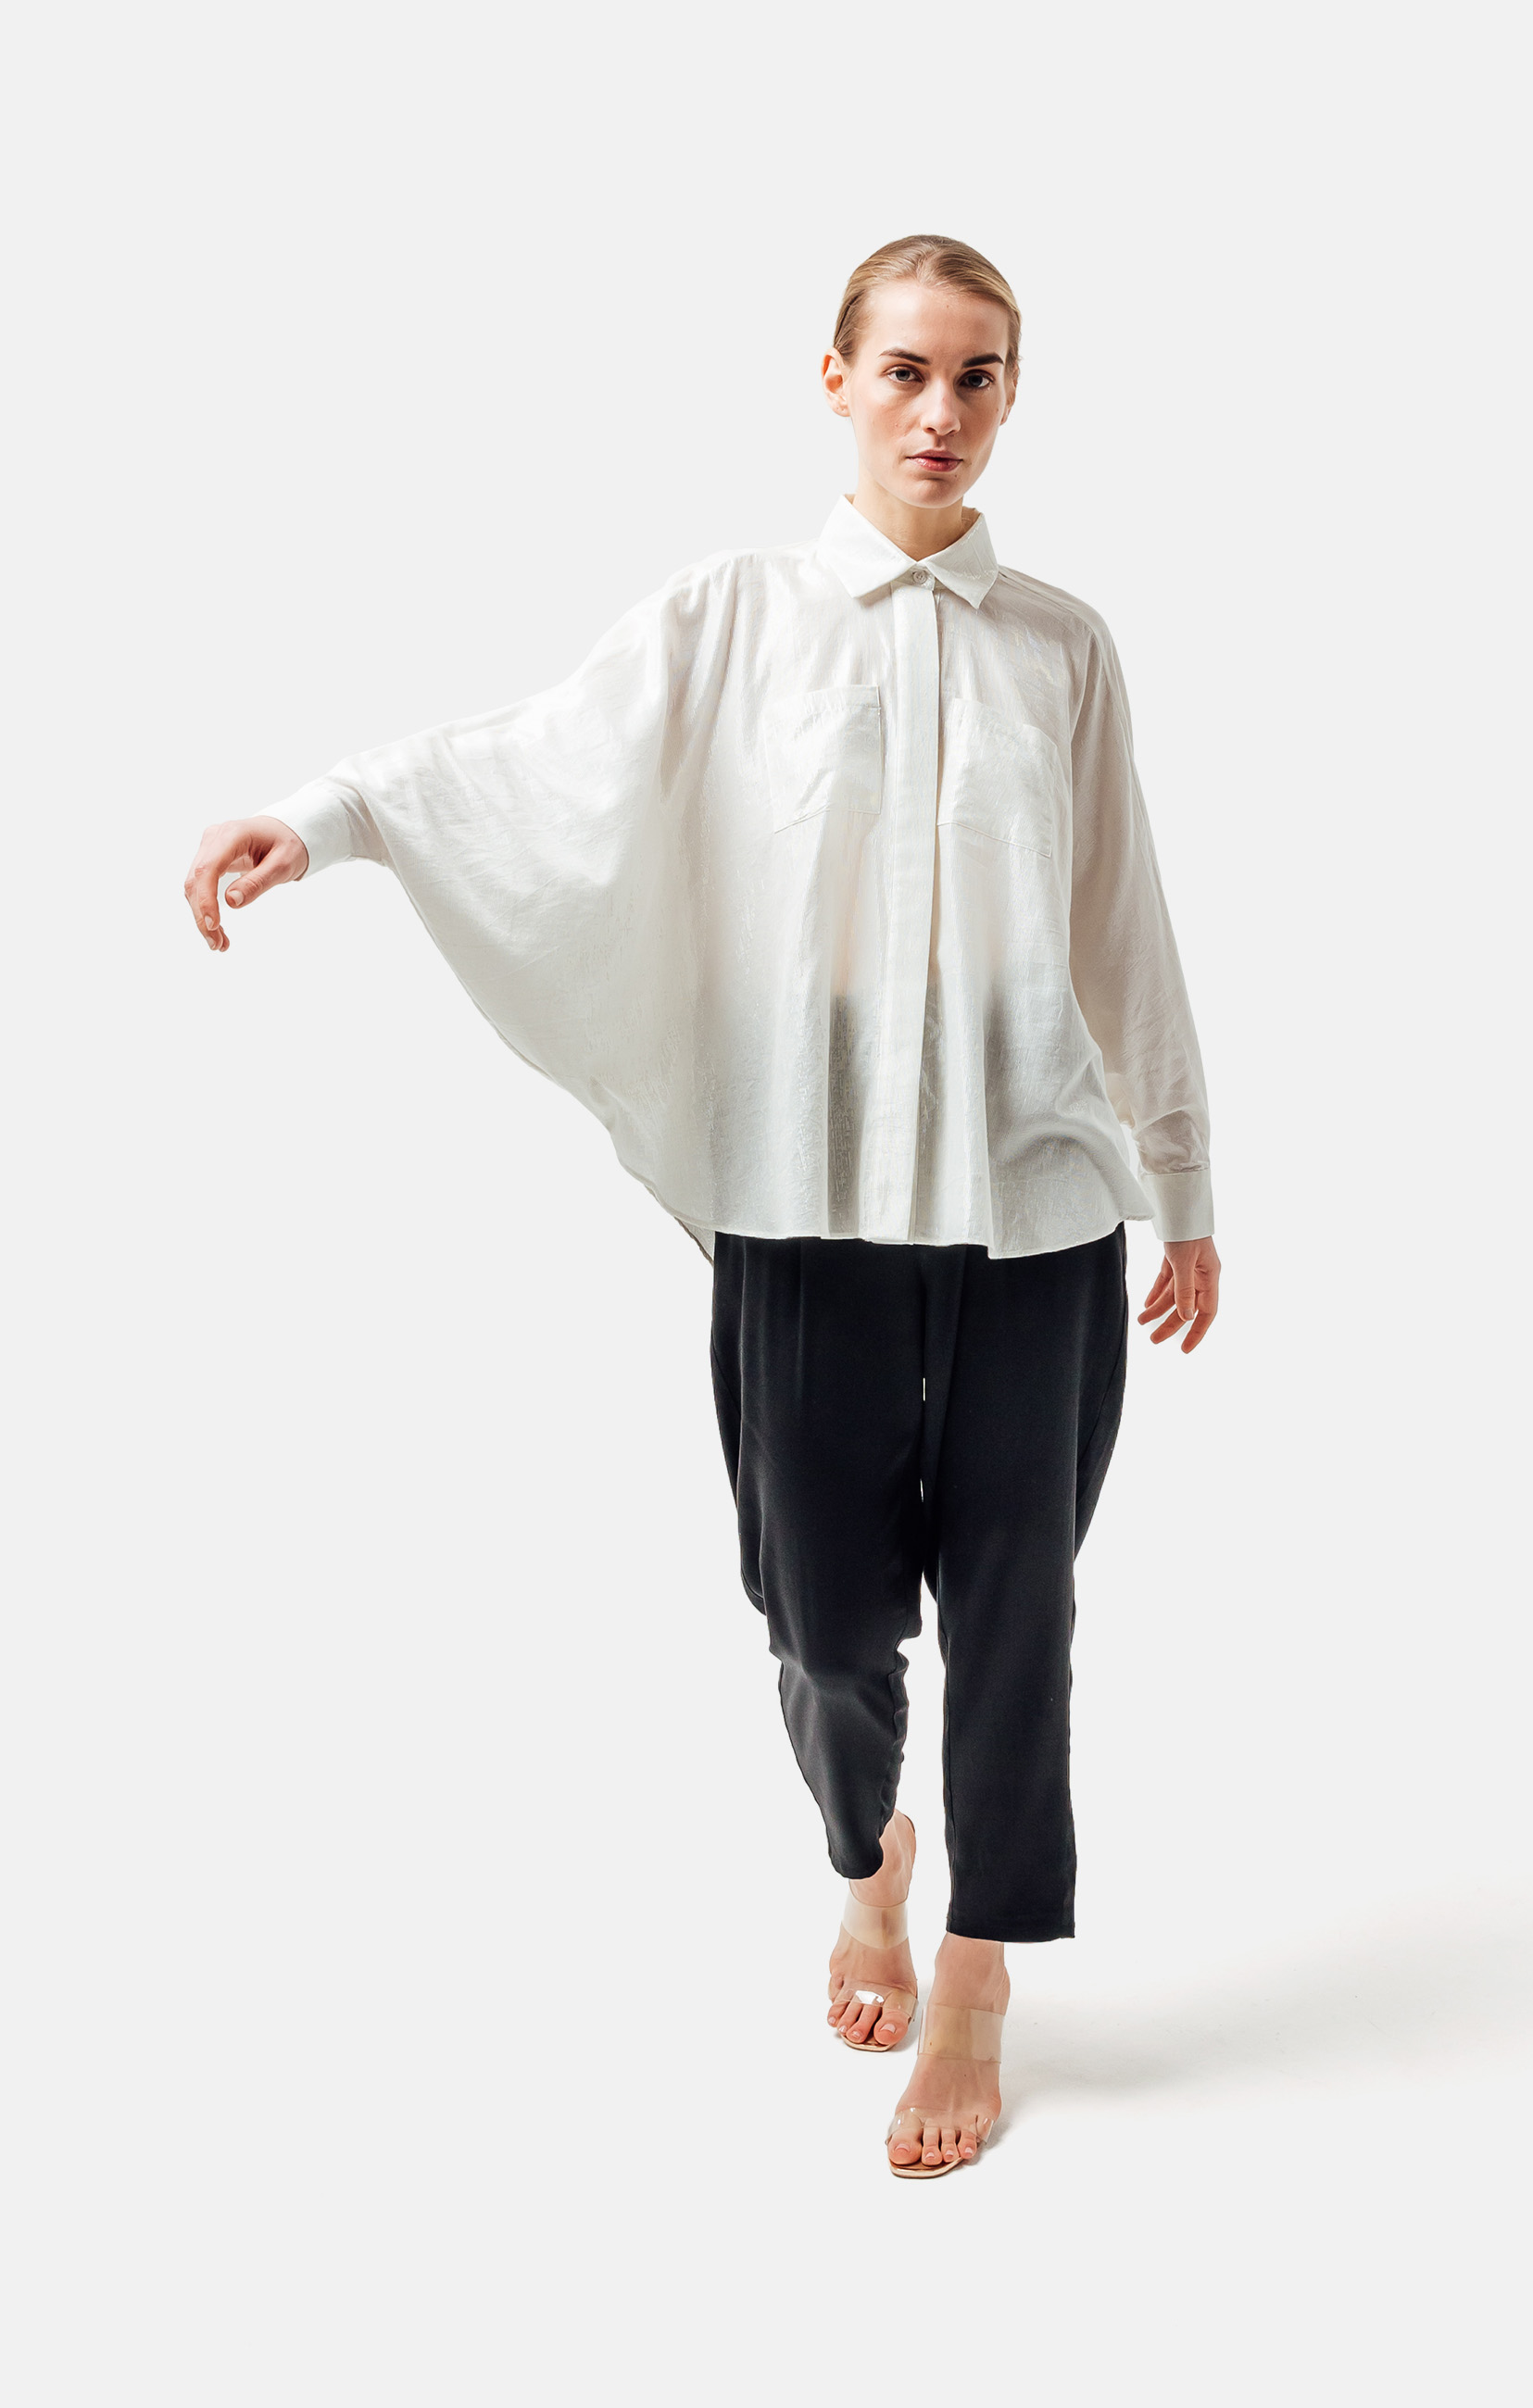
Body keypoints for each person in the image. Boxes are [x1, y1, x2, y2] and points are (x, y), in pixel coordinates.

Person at [183, 234, 1221, 2178]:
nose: (940, 410)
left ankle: (979, 1973)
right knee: (817, 1614)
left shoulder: (1063, 646)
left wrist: (1183, 1178)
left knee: (1020, 1605)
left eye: (979, 376)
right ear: (835, 380)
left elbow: (1122, 915)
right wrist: (326, 823)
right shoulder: (731, 618)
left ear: (1013, 397)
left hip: (1039, 1214)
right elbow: (528, 770)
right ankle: (869, 1855)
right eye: (905, 369)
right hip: (804, 1197)